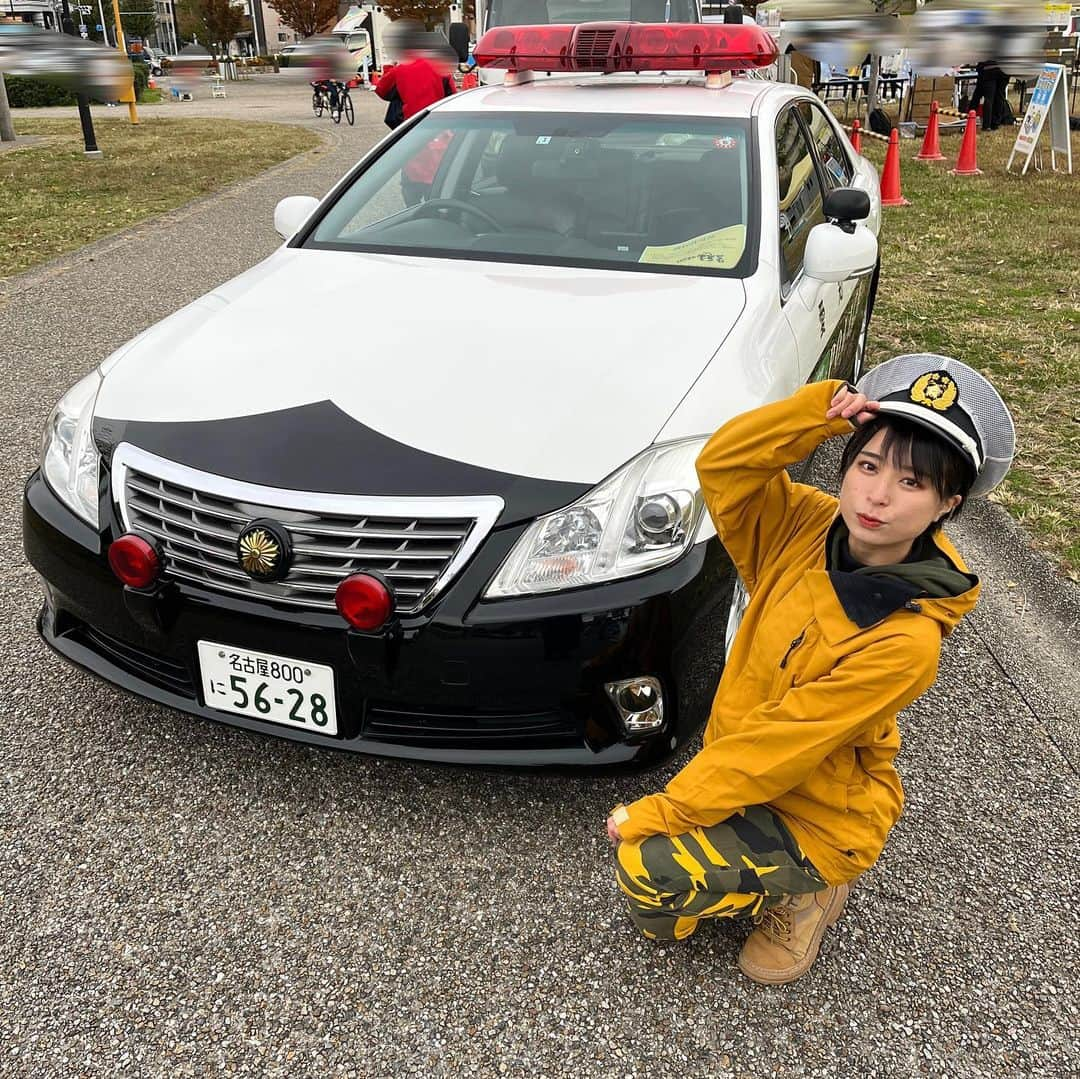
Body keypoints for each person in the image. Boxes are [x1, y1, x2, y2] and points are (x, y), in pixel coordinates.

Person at [607, 355, 1015, 985]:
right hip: (747, 766)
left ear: (947, 504)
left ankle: (812, 887)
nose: (877, 496)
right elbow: (723, 467)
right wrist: (814, 412)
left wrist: (667, 808)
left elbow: (782, 742)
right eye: (867, 466)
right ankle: (749, 875)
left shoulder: (906, 638)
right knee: (655, 895)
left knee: (647, 867)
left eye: (912, 483)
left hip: (817, 812)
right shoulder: (805, 524)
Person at [375, 21, 456, 127]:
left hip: (410, 124)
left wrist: (390, 66)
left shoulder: (399, 69)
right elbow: (452, 95)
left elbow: (382, 91)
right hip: (437, 121)